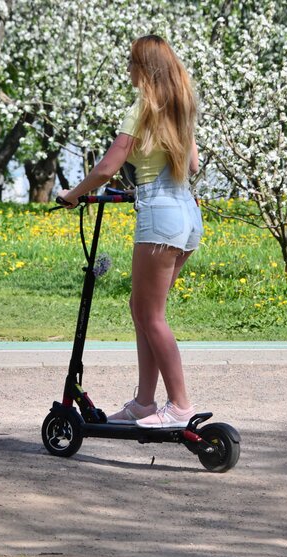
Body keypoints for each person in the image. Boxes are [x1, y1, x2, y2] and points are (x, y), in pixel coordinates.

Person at [57, 34, 201, 429]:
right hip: (187, 212)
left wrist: (72, 195)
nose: (128, 68)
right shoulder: (181, 107)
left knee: (150, 314)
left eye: (132, 62)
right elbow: (192, 166)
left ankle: (180, 406)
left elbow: (107, 167)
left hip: (159, 214)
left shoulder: (142, 107)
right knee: (144, 310)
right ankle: (143, 403)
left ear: (144, 67)